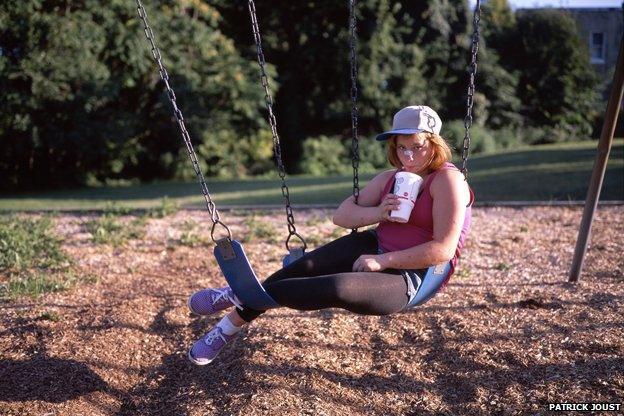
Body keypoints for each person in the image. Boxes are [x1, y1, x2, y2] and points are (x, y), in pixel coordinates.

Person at [186, 105, 474, 365]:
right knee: (303, 267)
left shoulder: (448, 180)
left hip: (412, 275)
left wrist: (384, 261)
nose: (408, 156)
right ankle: (226, 329)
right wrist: (379, 214)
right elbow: (342, 215)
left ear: (434, 143)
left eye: (417, 146)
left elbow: (443, 249)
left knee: (335, 288)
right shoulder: (391, 178)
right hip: (375, 245)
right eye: (401, 148)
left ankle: (236, 295)